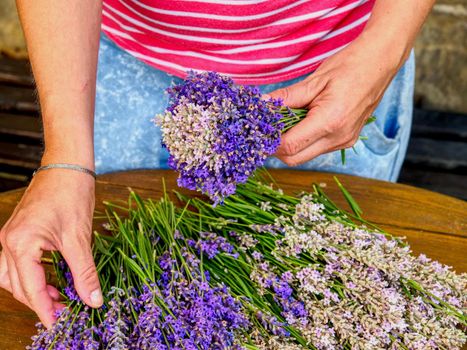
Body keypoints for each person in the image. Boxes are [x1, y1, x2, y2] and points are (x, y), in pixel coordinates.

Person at [0, 0, 434, 328]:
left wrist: (385, 47)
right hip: (118, 60)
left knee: (334, 283)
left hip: (341, 64)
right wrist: (65, 161)